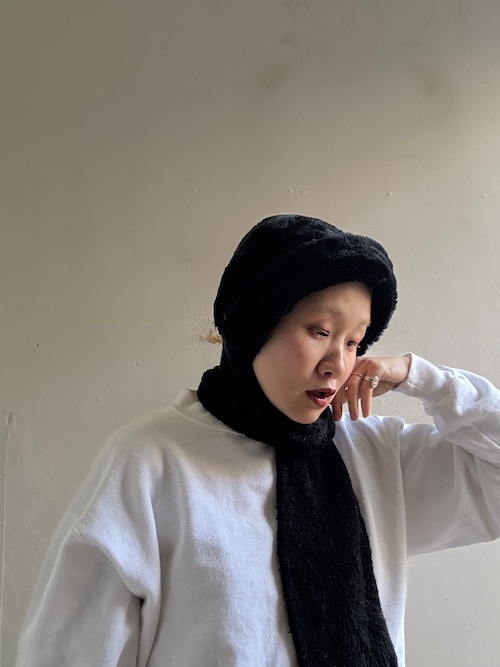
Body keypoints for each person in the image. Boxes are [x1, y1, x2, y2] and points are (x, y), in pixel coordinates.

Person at [16, 214, 500, 667]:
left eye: (354, 342)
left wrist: (422, 377)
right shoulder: (151, 463)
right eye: (320, 331)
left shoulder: (375, 456)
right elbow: (70, 651)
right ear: (255, 325)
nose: (338, 363)